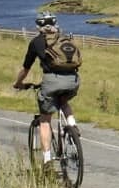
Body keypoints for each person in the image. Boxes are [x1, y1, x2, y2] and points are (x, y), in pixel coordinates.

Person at [13, 12, 80, 169]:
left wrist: (18, 83)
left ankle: (47, 160)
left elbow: (26, 69)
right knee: (63, 100)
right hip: (73, 80)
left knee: (45, 120)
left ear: (39, 27)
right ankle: (73, 125)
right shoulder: (64, 39)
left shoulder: (36, 42)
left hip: (51, 81)